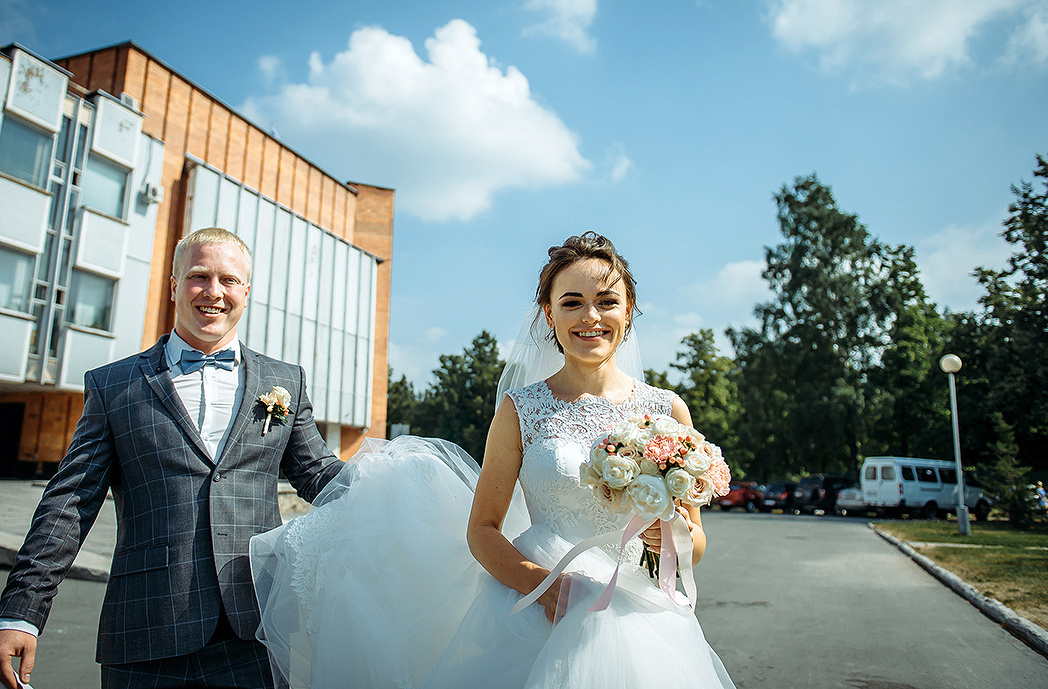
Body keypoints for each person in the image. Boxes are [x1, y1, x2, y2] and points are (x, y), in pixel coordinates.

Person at [251, 231, 736, 688]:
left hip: (642, 612)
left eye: (607, 301)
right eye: (572, 302)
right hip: (540, 609)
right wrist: (540, 585)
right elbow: (482, 529)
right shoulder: (520, 409)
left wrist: (670, 535)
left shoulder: (666, 410)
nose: (591, 316)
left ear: (628, 311)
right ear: (549, 315)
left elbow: (693, 541)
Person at [0, 227, 344, 689]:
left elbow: (319, 475)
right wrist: (19, 613)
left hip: (254, 633)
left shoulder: (285, 381)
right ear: (174, 286)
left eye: (229, 280)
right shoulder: (113, 385)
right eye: (198, 276)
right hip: (144, 633)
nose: (214, 292)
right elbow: (70, 502)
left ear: (246, 293)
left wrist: (398, 489)